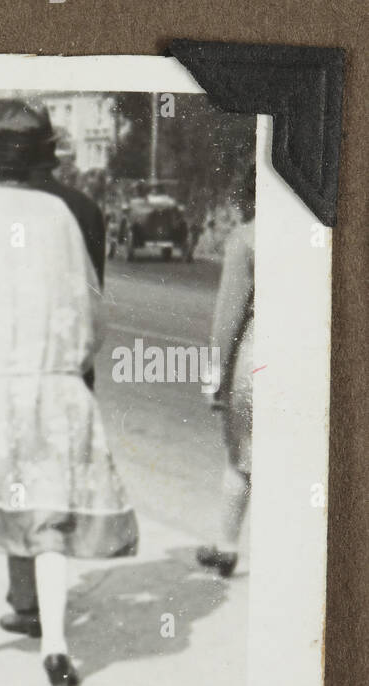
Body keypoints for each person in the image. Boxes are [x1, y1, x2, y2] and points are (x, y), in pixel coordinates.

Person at [0, 99, 138, 686]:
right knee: (49, 513)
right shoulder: (62, 217)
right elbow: (92, 312)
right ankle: (55, 646)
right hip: (54, 386)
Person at [0, 111, 110, 640]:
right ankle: (49, 597)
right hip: (70, 368)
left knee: (17, 482)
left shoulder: (0, 211)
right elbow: (92, 300)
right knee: (56, 484)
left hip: (15, 369)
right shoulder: (86, 209)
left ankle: (25, 601)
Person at [196, 166, 255, 578]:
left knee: (242, 457)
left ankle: (227, 547)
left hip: (260, 358)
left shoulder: (247, 238)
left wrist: (214, 379)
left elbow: (227, 320)